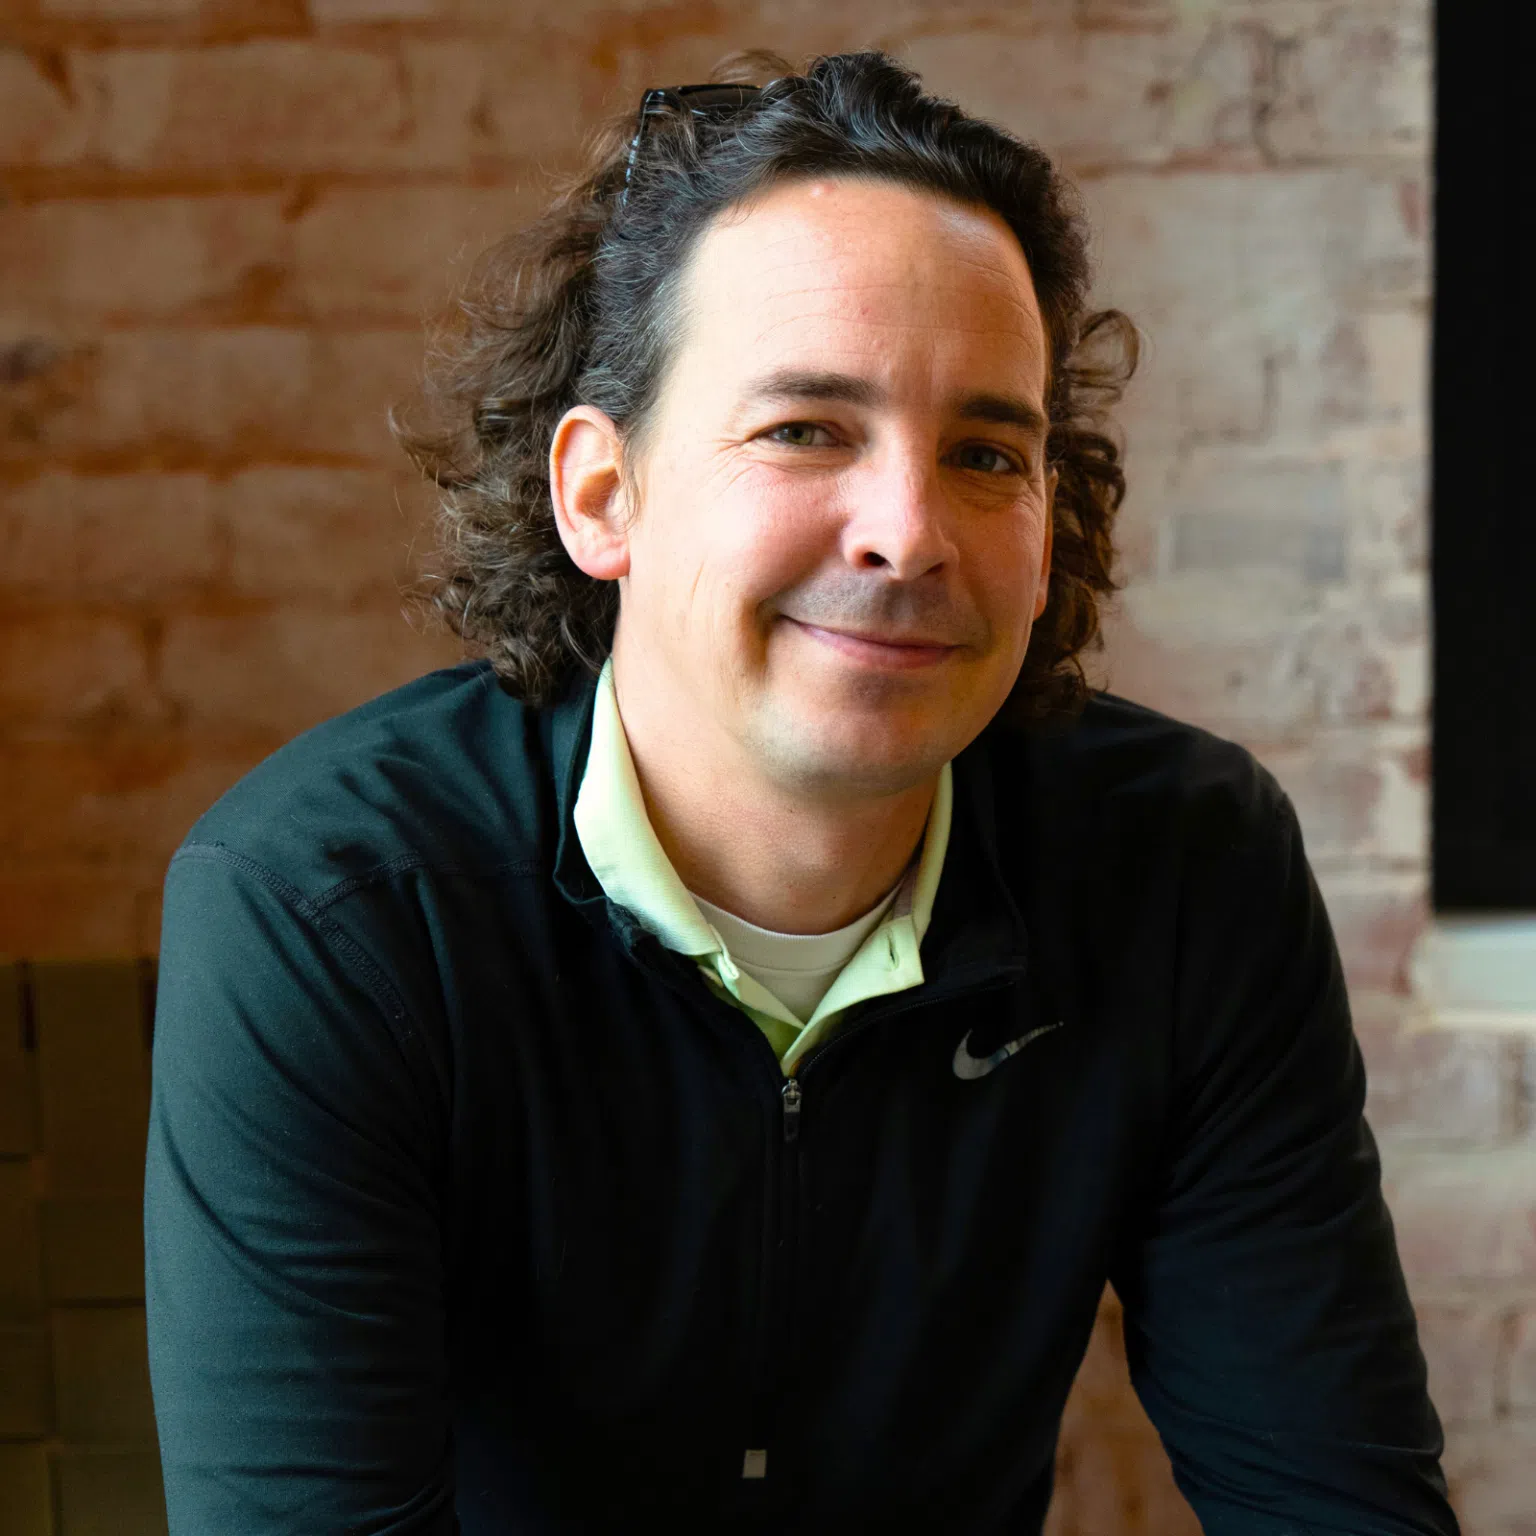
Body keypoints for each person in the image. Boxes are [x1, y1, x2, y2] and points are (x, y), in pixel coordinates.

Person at [143, 48, 1458, 1536]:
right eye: (805, 429)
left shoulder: (1184, 868)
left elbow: (1335, 1503)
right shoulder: (330, 909)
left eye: (986, 452)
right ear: (602, 494)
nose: (908, 530)